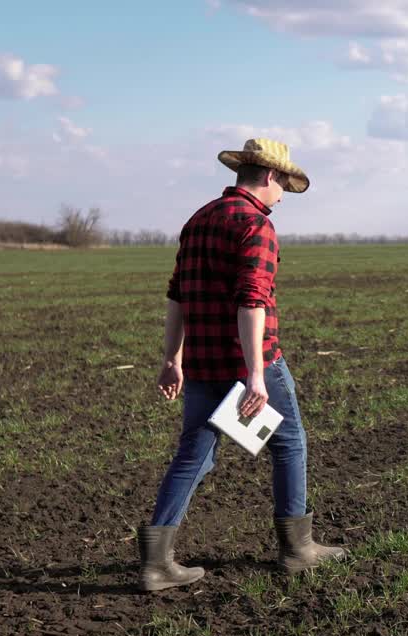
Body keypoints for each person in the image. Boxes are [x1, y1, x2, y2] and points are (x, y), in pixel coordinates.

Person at [137, 138, 347, 592]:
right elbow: (252, 300)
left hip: (201, 363)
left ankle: (156, 564)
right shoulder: (256, 226)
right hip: (251, 362)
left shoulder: (199, 220)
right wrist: (255, 373)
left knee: (195, 452)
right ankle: (298, 549)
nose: (283, 197)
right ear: (270, 177)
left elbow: (177, 295)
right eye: (284, 187)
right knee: (289, 443)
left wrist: (172, 358)